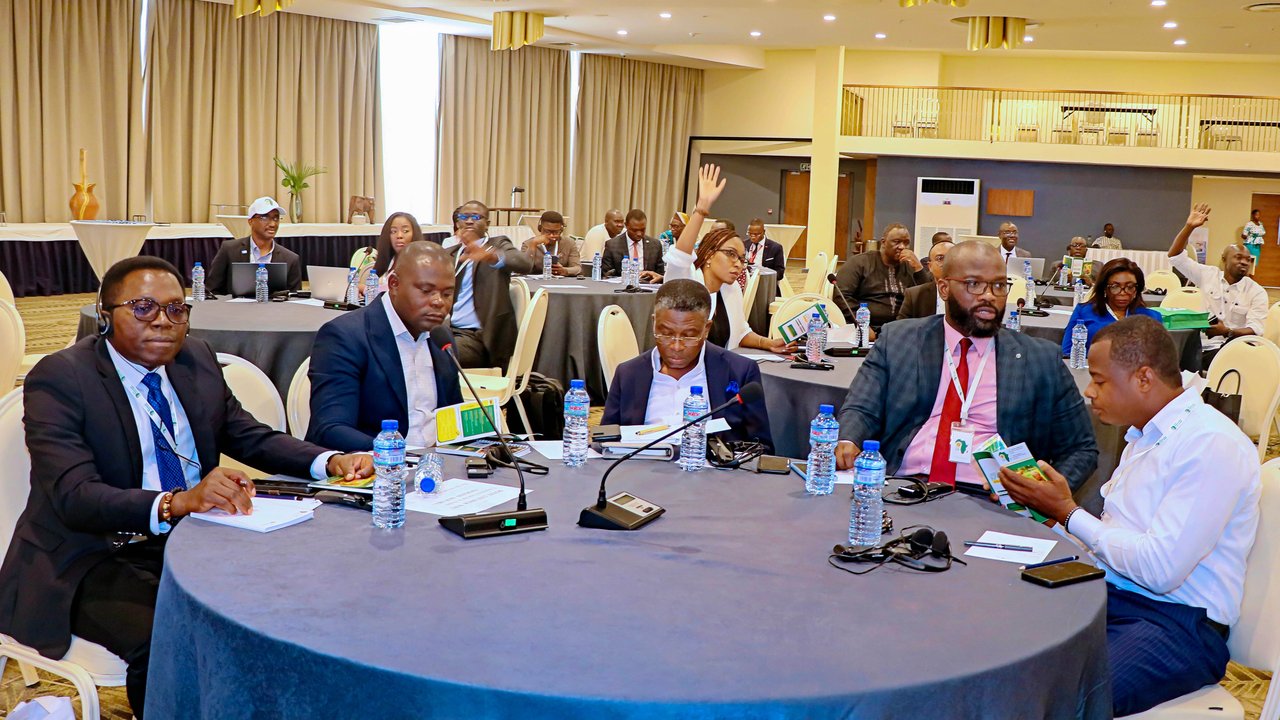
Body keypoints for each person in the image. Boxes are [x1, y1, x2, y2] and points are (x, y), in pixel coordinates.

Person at [0, 256, 371, 718]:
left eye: (176, 309)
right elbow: (74, 496)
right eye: (143, 308)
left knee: (290, 596)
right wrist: (176, 503)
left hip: (193, 538)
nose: (163, 321)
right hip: (90, 556)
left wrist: (328, 460)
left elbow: (248, 435)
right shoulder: (62, 378)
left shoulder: (196, 359)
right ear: (105, 314)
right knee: (172, 639)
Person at [999, 317, 1260, 717]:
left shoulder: (1211, 443)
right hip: (1112, 596)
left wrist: (1067, 512)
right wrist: (1049, 516)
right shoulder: (1145, 436)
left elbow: (1160, 570)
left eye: (1099, 380)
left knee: (1057, 699)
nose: (1089, 391)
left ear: (1143, 378)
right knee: (998, 645)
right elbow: (1116, 543)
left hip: (1178, 624)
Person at [833, 241, 1098, 490]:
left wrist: (1042, 493)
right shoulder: (899, 340)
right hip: (904, 485)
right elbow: (862, 407)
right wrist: (848, 439)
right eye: (974, 284)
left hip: (991, 499)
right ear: (944, 288)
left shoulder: (1039, 359)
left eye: (999, 285)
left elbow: (1081, 449)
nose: (989, 296)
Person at [308, 242, 465, 451]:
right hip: (377, 464)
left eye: (447, 294)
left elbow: (452, 415)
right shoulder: (345, 336)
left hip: (438, 461)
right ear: (394, 284)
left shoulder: (441, 338)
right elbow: (329, 429)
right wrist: (399, 453)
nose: (438, 302)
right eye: (426, 291)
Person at [602, 279, 773, 451]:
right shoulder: (628, 373)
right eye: (666, 334)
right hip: (639, 465)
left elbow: (762, 447)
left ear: (706, 329)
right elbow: (604, 442)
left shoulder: (740, 371)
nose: (676, 346)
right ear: (654, 323)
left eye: (689, 336)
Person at [665, 165, 793, 354]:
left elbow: (740, 332)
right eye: (730, 254)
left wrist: (768, 343)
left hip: (721, 365)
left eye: (742, 259)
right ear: (709, 254)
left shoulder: (730, 289)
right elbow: (680, 257)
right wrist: (700, 211)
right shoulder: (687, 282)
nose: (738, 264)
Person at [446, 200, 535, 369]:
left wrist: (490, 256)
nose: (469, 221)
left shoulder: (498, 244)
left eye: (476, 217)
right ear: (457, 223)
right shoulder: (450, 254)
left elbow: (524, 264)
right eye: (464, 217)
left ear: (487, 224)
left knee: (436, 354)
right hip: (448, 330)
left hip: (480, 338)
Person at [1168, 204, 1268, 348]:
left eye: (1248, 259)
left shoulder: (1256, 291)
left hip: (1237, 348)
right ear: (1224, 260)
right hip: (1205, 345)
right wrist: (1189, 227)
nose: (1244, 262)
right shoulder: (1207, 275)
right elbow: (1175, 257)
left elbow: (1256, 329)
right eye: (1238, 257)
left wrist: (1227, 332)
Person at [834, 222, 933, 331]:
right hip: (868, 327)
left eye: (906, 243)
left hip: (902, 329)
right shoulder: (860, 262)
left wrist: (919, 268)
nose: (902, 247)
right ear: (883, 242)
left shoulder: (910, 266)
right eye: (896, 242)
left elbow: (929, 297)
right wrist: (861, 325)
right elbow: (841, 296)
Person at [1059, 258, 1162, 356]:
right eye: (1115, 287)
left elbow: (1160, 358)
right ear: (1104, 288)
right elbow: (1067, 353)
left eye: (1130, 287)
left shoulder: (1152, 318)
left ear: (1137, 290)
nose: (1123, 293)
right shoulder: (1083, 312)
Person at [207, 196, 302, 295]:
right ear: (251, 221)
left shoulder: (290, 259)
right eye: (264, 217)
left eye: (276, 218)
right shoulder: (230, 250)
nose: (272, 224)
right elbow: (212, 290)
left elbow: (294, 298)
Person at [359, 211, 424, 297]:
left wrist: (363, 288)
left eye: (405, 231)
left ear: (414, 234)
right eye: (393, 231)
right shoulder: (390, 260)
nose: (399, 236)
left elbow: (393, 292)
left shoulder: (419, 265)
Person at [896, 235, 953, 321]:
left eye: (952, 257)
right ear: (930, 266)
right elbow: (901, 327)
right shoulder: (914, 296)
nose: (946, 262)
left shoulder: (970, 294)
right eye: (940, 258)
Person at [601, 209, 665, 282]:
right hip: (621, 286)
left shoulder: (655, 245)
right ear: (626, 225)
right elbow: (606, 275)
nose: (639, 234)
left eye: (642, 230)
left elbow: (661, 275)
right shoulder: (612, 245)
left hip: (648, 285)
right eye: (634, 230)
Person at [521, 210, 581, 276]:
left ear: (561, 230)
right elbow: (522, 269)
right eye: (547, 232)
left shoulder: (569, 243)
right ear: (540, 229)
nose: (552, 235)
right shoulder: (528, 244)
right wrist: (533, 245)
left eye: (556, 232)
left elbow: (578, 268)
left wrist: (565, 270)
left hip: (560, 280)